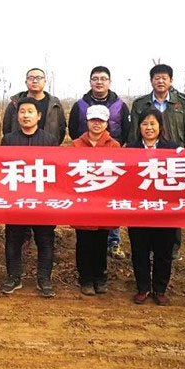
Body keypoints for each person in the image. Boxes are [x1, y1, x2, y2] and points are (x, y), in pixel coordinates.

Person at [129, 63, 185, 259]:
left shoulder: (181, 103)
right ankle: (146, 245)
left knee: (171, 202)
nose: (160, 81)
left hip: (173, 159)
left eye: (164, 78)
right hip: (145, 160)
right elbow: (134, 132)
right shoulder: (140, 104)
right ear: (151, 81)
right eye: (156, 78)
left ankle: (172, 247)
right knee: (145, 200)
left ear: (171, 81)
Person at [68, 66, 131, 261]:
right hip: (84, 162)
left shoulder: (120, 105)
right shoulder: (80, 105)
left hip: (109, 161)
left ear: (109, 82)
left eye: (103, 78)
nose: (99, 82)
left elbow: (127, 130)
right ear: (90, 82)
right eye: (95, 78)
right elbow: (72, 128)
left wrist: (111, 148)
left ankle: (113, 242)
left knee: (109, 205)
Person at [0, 97, 60, 298]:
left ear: (39, 115)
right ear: (17, 116)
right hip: (16, 199)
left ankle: (44, 278)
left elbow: (56, 170)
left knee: (45, 240)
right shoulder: (8, 140)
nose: (26, 115)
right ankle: (14, 277)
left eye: (30, 112)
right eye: (22, 111)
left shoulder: (49, 140)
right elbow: (0, 168)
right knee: (13, 239)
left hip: (43, 200)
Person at [125, 108, 180, 305]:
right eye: (144, 124)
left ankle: (160, 289)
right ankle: (143, 288)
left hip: (164, 209)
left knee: (163, 252)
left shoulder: (172, 149)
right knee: (139, 250)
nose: (149, 128)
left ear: (160, 126)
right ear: (139, 127)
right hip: (138, 209)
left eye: (153, 124)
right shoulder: (130, 150)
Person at [72, 105, 121, 295]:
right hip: (82, 202)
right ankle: (85, 278)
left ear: (107, 123)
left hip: (103, 202)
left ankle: (100, 277)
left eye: (100, 121)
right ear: (87, 122)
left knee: (101, 241)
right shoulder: (76, 145)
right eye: (93, 120)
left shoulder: (114, 146)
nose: (96, 124)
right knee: (84, 242)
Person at [2, 67, 66, 145]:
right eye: (31, 78)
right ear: (26, 82)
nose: (35, 81)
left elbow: (61, 129)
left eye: (39, 78)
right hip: (18, 146)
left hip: (48, 147)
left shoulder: (55, 105)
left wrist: (53, 143)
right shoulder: (15, 103)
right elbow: (6, 127)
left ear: (45, 82)